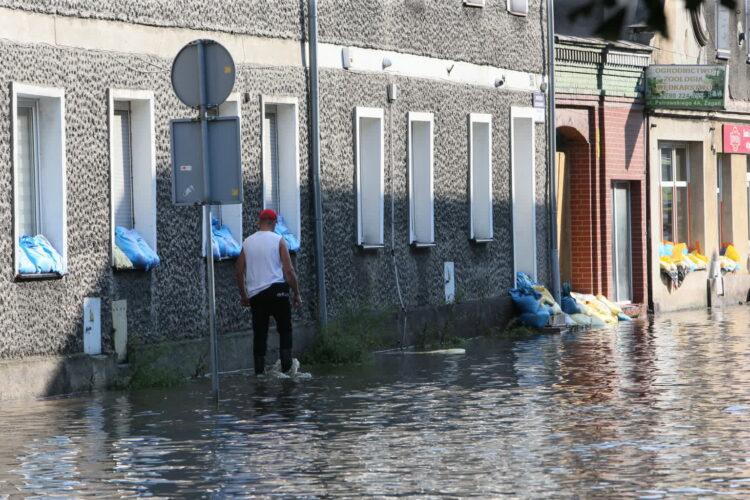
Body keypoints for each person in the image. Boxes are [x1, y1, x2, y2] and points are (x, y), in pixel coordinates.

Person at [236, 209, 302, 375]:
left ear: (259, 222)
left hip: (256, 294)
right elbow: (289, 271)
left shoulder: (247, 242)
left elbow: (239, 270)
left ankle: (259, 373)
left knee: (260, 333)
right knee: (285, 329)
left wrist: (243, 294)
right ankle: (287, 369)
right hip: (277, 290)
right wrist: (296, 293)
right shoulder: (279, 240)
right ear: (274, 223)